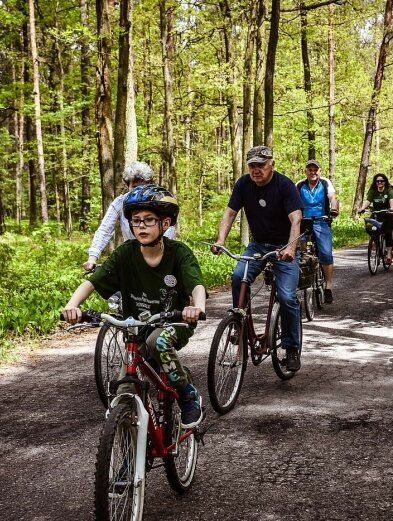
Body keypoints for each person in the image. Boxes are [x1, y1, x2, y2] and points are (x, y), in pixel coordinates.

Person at [62, 185, 205, 428]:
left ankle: (186, 393)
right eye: (135, 221)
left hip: (173, 323)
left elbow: (196, 285)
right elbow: (92, 282)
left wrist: (196, 308)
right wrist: (72, 306)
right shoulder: (125, 253)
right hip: (136, 326)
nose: (140, 226)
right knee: (124, 390)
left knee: (156, 342)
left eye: (149, 220)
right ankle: (127, 447)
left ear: (166, 223)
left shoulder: (178, 253)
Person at [211, 145, 303, 372]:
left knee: (287, 297)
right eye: (252, 166)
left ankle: (291, 348)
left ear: (271, 164)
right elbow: (230, 213)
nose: (256, 170)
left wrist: (291, 247)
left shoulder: (285, 185)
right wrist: (221, 240)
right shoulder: (243, 184)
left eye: (260, 165)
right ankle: (239, 323)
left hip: (285, 246)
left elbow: (296, 219)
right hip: (258, 244)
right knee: (237, 277)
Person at [83, 161, 175, 272]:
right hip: (131, 257)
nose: (139, 190)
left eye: (143, 186)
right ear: (128, 186)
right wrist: (92, 257)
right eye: (135, 187)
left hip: (157, 256)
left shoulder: (159, 201)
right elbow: (104, 230)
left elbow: (168, 229)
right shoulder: (120, 202)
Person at [296, 159, 339, 303]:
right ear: (305, 171)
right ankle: (303, 279)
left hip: (322, 220)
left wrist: (334, 208)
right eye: (310, 169)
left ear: (319, 171)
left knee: (326, 253)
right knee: (300, 252)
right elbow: (293, 202)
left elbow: (332, 197)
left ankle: (328, 287)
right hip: (303, 221)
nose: (313, 172)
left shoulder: (325, 183)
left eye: (315, 170)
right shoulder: (300, 185)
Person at [357, 173, 393, 265]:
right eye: (378, 181)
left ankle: (389, 256)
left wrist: (392, 208)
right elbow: (368, 201)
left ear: (385, 182)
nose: (379, 182)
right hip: (376, 214)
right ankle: (377, 248)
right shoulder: (373, 190)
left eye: (381, 181)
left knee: (387, 233)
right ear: (375, 182)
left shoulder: (389, 190)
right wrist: (362, 208)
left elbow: (391, 200)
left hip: (388, 214)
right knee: (371, 229)